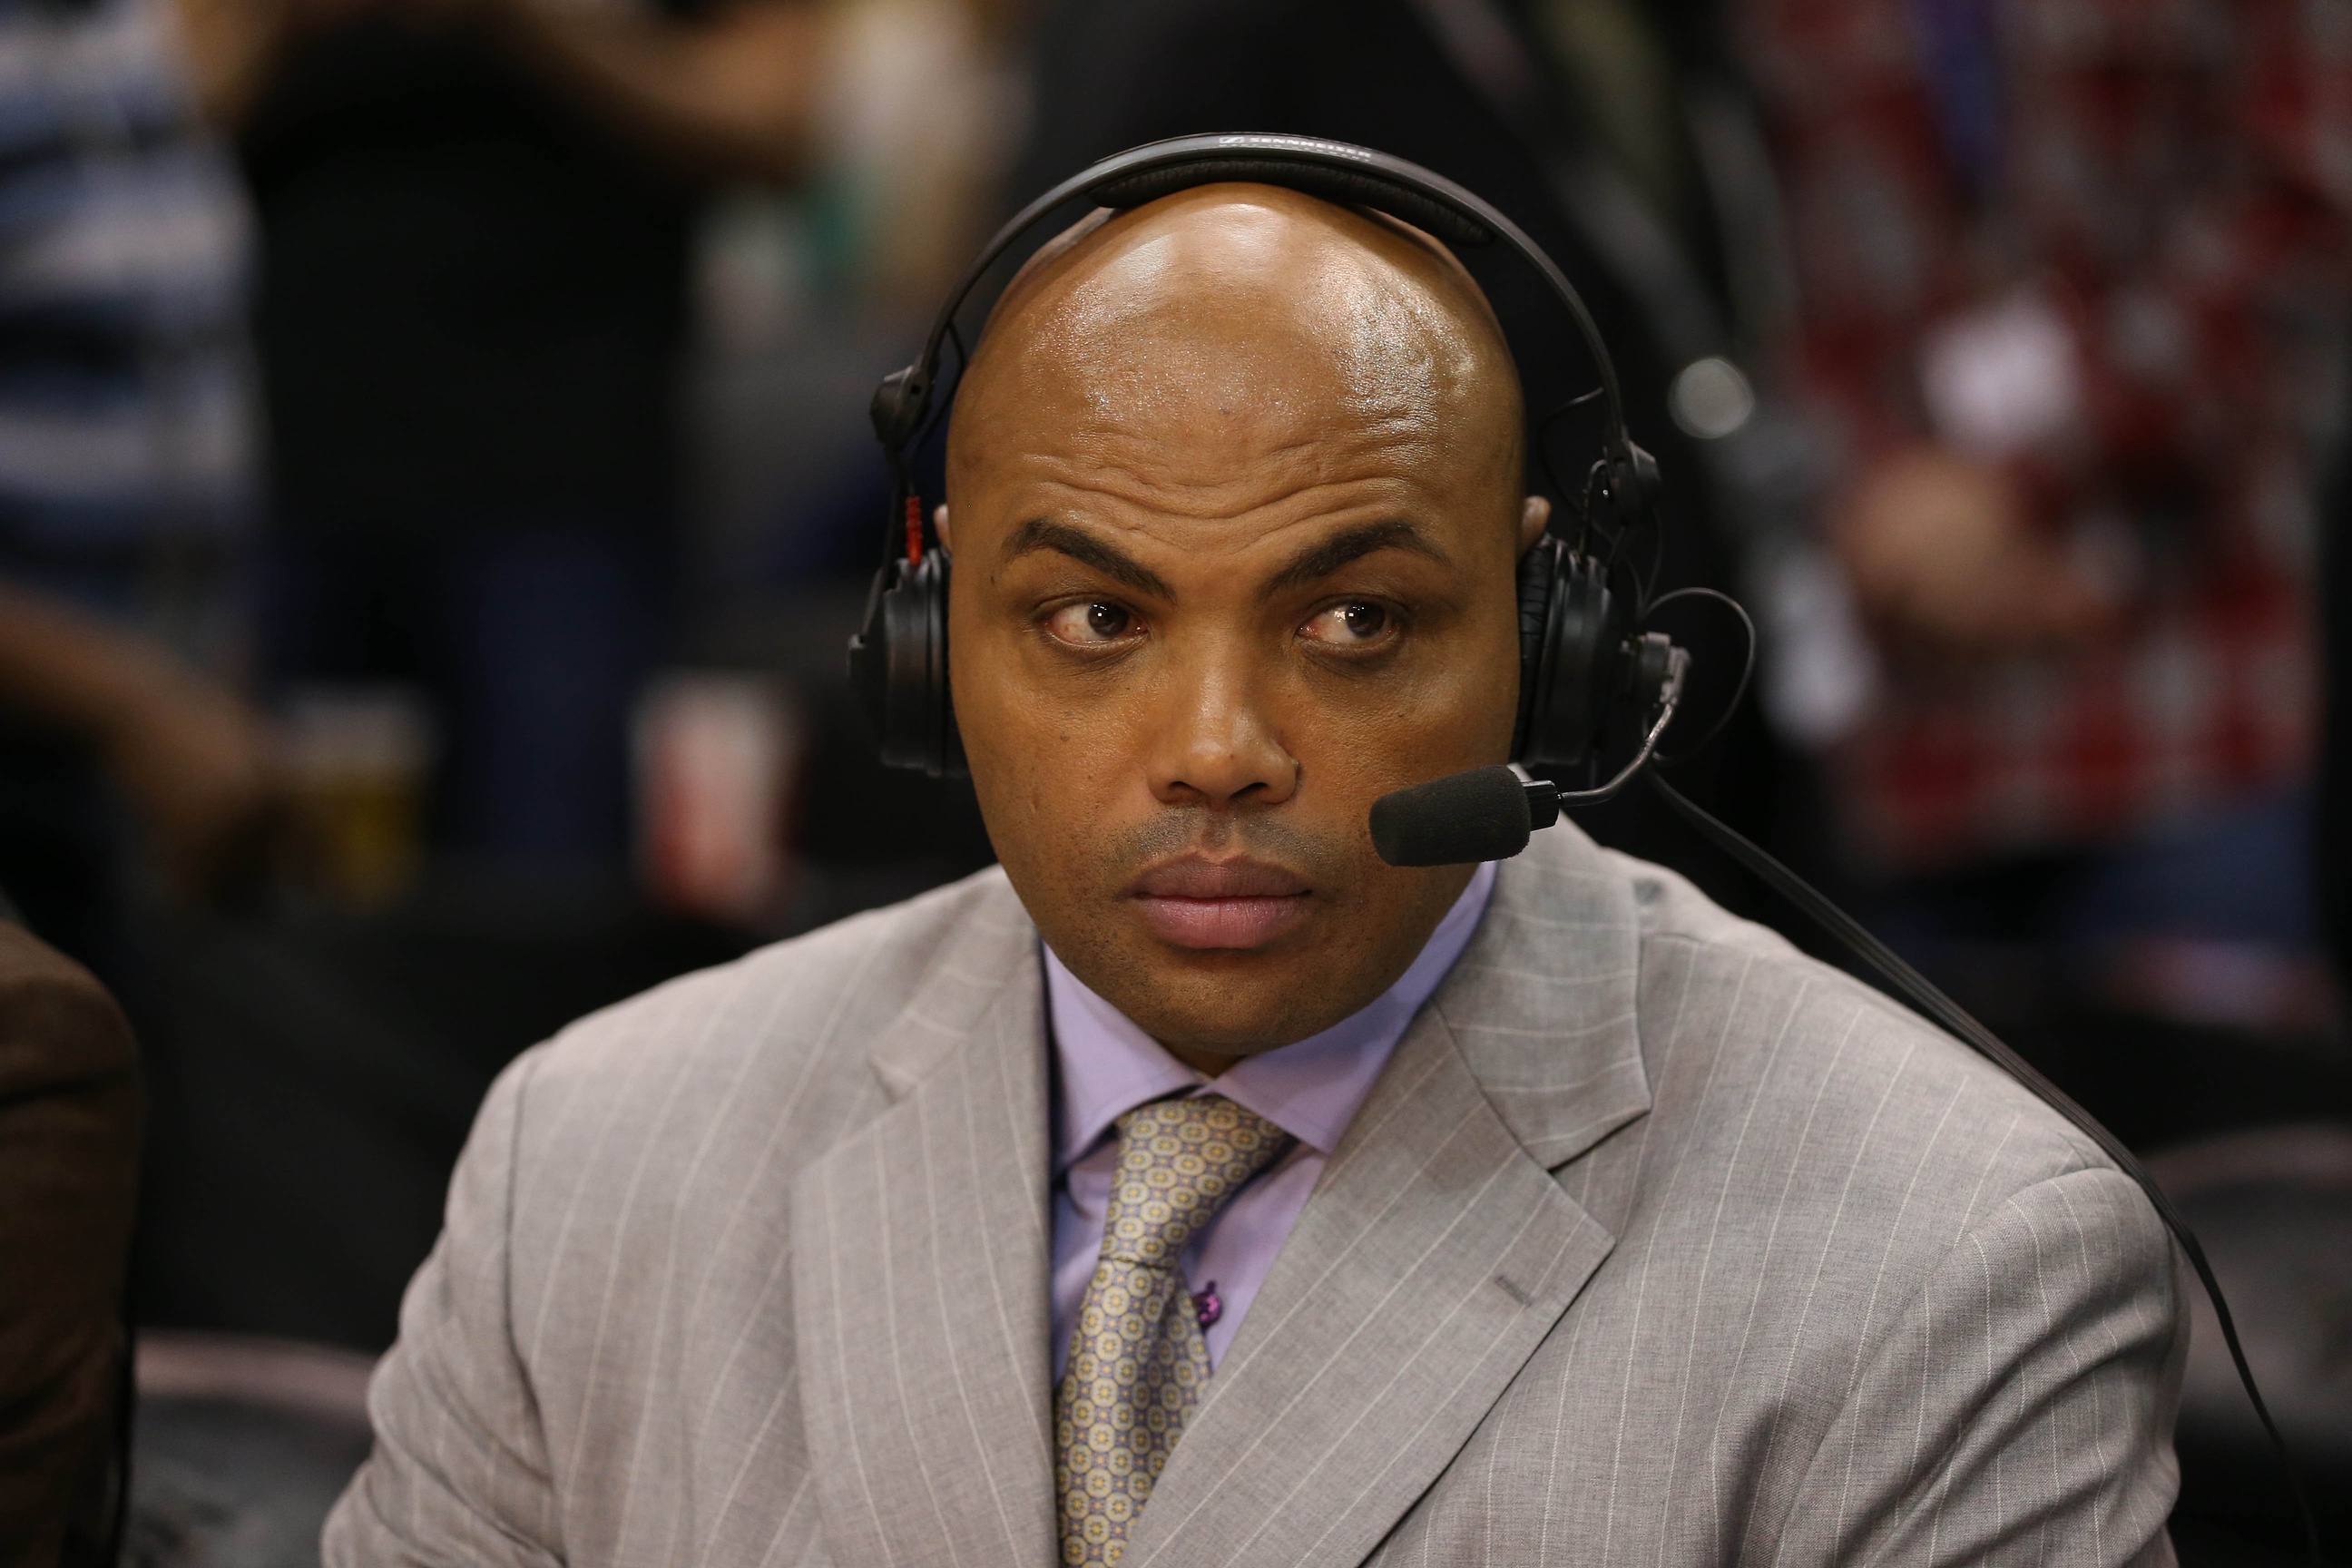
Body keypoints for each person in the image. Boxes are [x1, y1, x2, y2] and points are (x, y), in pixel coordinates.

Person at [325, 183, 2182, 1565]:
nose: (1218, 746)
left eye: (1356, 619)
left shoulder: (1950, 1259)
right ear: (930, 644)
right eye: (1094, 618)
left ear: (1543, 651)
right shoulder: (592, 1166)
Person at [173, 0, 826, 867]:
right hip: (292, 467)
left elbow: (775, 130)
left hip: (563, 481)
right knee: (282, 884)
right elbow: (144, 129)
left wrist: (531, 19)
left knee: (549, 882)